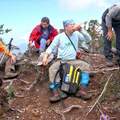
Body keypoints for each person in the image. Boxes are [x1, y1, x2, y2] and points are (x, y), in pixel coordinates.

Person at [42, 19, 92, 102]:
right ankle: (57, 93)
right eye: (71, 24)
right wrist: (45, 56)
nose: (73, 26)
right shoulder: (59, 37)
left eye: (73, 24)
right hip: (62, 61)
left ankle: (82, 90)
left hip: (73, 60)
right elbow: (51, 47)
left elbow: (88, 40)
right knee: (52, 69)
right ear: (66, 27)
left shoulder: (76, 34)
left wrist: (81, 30)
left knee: (85, 66)